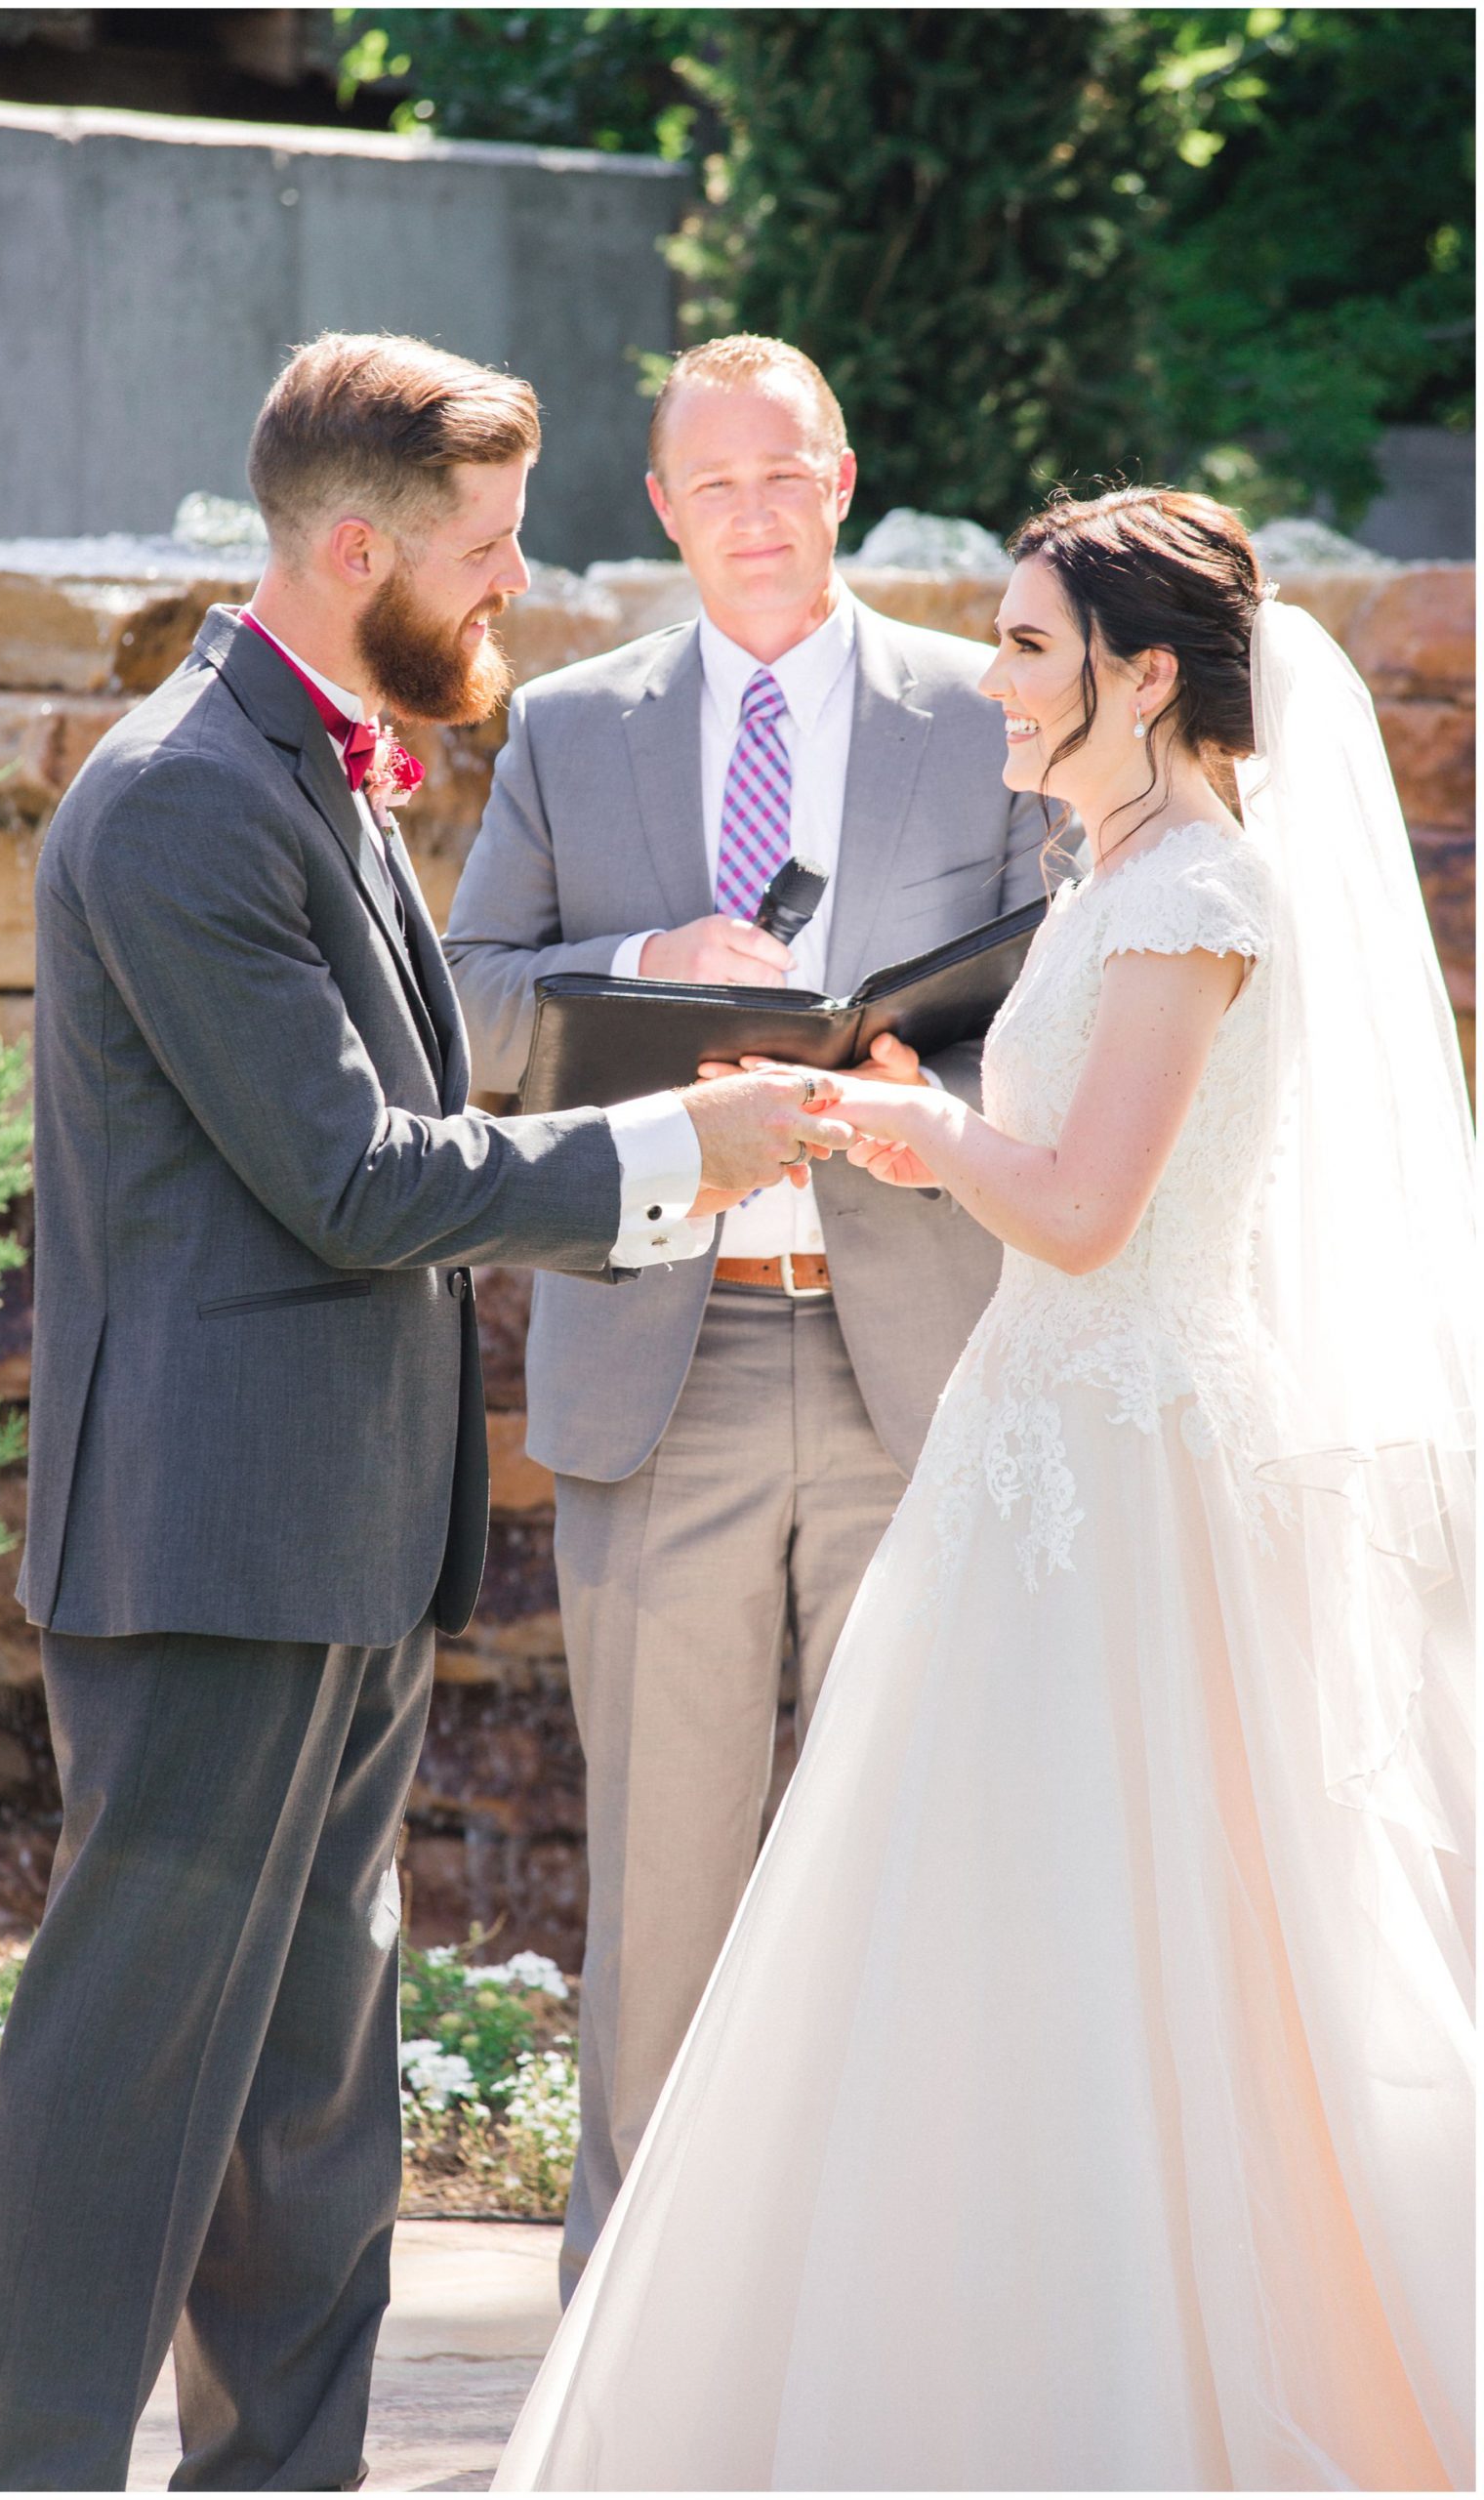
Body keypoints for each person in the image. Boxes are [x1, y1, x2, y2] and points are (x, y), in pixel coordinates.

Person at [0, 331, 852, 2495]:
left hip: (336, 1537)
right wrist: (675, 1150)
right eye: (490, 548)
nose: (516, 584)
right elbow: (349, 1176)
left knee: (311, 2109)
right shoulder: (176, 800)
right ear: (359, 548)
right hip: (210, 1552)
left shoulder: (314, 765)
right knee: (129, 2089)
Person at [493, 487, 1475, 2492]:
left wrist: (906, 1133)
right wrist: (892, 1120)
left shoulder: (1201, 890)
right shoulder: (1113, 876)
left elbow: (1093, 1211)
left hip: (1125, 1484)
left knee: (1144, 1936)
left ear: (1135, 672)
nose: (997, 681)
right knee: (973, 1935)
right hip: (1033, 1450)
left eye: (1029, 648)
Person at [443, 334, 1043, 2298]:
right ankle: (636, 2317)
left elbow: (1067, 1000)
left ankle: (886, 2303)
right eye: (716, 485)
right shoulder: (570, 726)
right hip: (662, 1362)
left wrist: (925, 1086)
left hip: (919, 1366)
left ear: (845, 473)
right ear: (661, 509)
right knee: (670, 1877)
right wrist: (643, 962)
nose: (756, 515)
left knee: (909, 1856)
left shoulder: (983, 712)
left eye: (785, 474)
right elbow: (461, 1013)